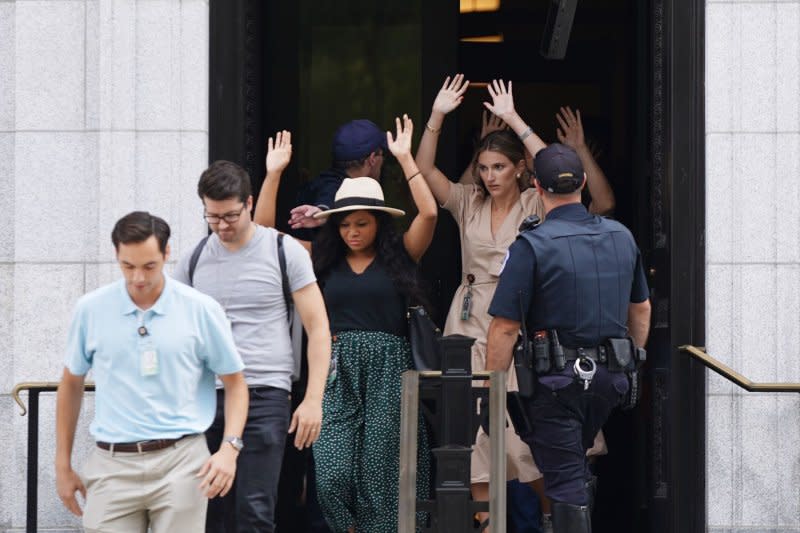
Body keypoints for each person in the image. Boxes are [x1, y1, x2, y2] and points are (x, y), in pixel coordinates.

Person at [255, 115, 437, 533]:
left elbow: (428, 212)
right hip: (335, 369)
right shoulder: (320, 258)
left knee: (381, 475)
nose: (353, 231)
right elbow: (264, 233)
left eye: (362, 223)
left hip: (390, 370)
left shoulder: (401, 255)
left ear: (379, 222)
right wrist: (273, 174)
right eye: (345, 223)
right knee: (332, 472)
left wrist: (406, 158)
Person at [485, 143, 651, 532]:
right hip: (610, 379)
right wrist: (633, 360)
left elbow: (505, 328)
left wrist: (491, 392)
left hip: (555, 384)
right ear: (584, 183)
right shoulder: (622, 237)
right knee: (572, 469)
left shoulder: (531, 245)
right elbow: (640, 309)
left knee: (564, 484)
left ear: (537, 189)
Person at [55, 211, 248, 532]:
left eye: (149, 266)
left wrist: (230, 448)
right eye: (128, 266)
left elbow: (235, 383)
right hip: (112, 464)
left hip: (182, 461)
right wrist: (62, 464)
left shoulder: (200, 309)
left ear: (166, 253)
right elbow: (71, 384)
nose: (138, 278)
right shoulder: (91, 309)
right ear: (117, 255)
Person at [415, 75, 551, 529]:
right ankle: (485, 525)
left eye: (499, 167)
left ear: (518, 168)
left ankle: (553, 519)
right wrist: (436, 116)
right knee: (471, 437)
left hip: (514, 322)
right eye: (485, 167)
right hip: (467, 318)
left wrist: (513, 118)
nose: (490, 176)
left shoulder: (536, 202)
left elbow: (556, 167)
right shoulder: (467, 201)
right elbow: (423, 172)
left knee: (518, 440)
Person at [173, 153, 332, 533]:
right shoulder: (194, 258)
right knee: (209, 510)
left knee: (255, 509)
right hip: (206, 396)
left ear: (249, 203)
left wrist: (313, 400)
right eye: (212, 217)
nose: (222, 226)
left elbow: (318, 328)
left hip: (265, 392)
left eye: (230, 215)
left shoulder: (283, 250)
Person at [287, 119, 388, 237]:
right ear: (372, 159)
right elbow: (328, 198)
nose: (384, 161)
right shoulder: (333, 185)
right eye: (383, 154)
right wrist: (322, 212)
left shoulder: (326, 179)